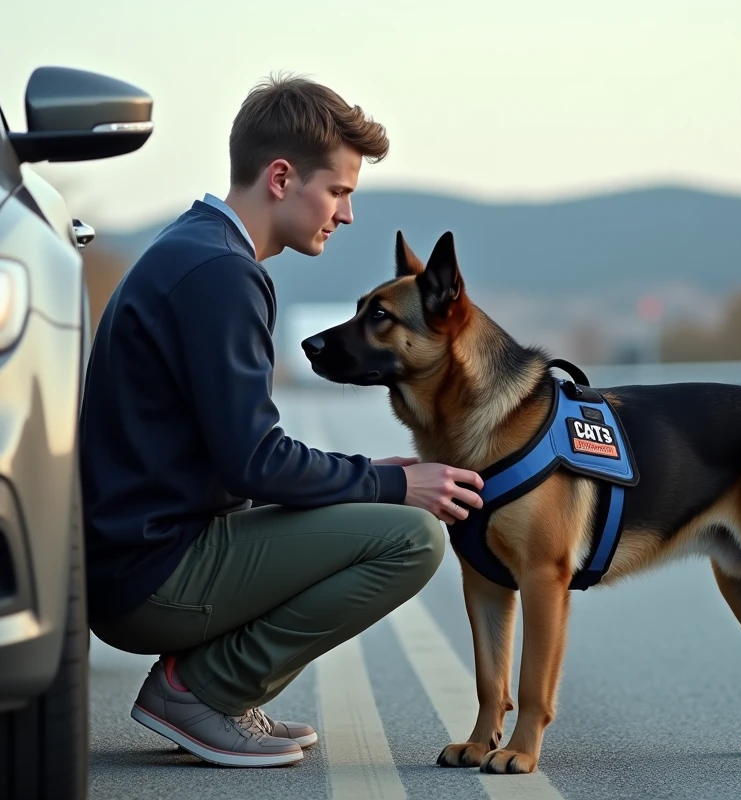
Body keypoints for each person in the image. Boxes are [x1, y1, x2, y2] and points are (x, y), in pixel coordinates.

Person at [77, 74, 485, 768]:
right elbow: (253, 462)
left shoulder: (198, 250)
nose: (346, 214)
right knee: (412, 538)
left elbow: (233, 455)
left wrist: (366, 479)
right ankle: (202, 690)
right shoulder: (221, 274)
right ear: (281, 176)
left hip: (140, 553)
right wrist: (388, 490)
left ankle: (207, 687)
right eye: (338, 190)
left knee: (385, 505)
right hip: (150, 577)